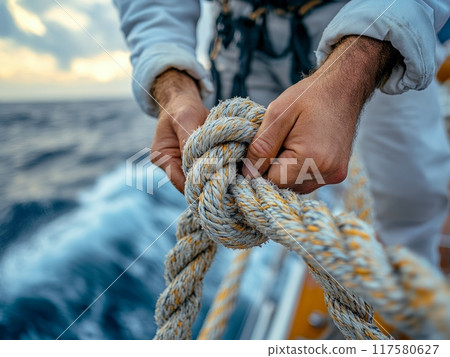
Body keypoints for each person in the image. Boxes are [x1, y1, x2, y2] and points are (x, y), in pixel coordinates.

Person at [114, 0, 450, 265]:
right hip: (241, 33)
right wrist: (171, 81)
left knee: (410, 189)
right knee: (260, 181)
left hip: (369, 27)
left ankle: (409, 287)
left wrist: (356, 65)